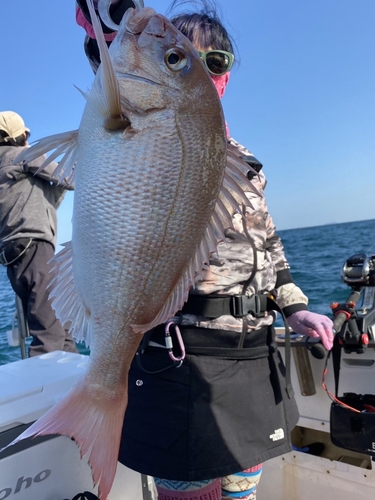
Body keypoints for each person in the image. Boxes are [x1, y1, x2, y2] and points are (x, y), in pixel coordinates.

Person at [76, 1, 334, 498]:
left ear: (225, 77)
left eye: (218, 61)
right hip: (184, 357)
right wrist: (102, 25)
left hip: (254, 355)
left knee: (244, 485)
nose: (206, 67)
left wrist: (296, 308)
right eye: (186, 56)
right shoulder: (139, 115)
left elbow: (269, 246)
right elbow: (109, 54)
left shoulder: (246, 163)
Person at [0, 111, 78, 357]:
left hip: (15, 256)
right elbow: (69, 178)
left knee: (59, 325)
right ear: (21, 136)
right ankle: (46, 390)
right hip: (35, 250)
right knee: (50, 336)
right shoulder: (23, 155)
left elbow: (46, 198)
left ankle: (74, 388)